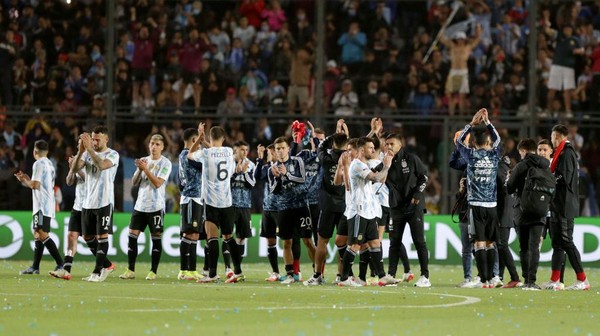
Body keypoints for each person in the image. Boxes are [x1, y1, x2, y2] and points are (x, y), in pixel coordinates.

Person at [337, 137, 396, 287]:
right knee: (355, 245)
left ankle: (382, 276)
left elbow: (379, 177)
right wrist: (387, 166)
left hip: (369, 212)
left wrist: (385, 162)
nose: (373, 150)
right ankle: (344, 279)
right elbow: (376, 178)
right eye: (370, 148)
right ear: (362, 150)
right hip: (359, 211)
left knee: (375, 243)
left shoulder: (364, 165)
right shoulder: (357, 165)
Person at [189, 124, 244, 283]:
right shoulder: (228, 152)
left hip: (211, 202)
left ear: (210, 137)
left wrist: (200, 138)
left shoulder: (205, 153)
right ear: (224, 138)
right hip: (227, 202)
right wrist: (206, 141)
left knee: (212, 238)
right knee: (228, 237)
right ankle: (238, 272)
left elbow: (190, 154)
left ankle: (212, 273)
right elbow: (218, 152)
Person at [455, 108, 500, 288]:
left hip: (475, 206)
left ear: (474, 142)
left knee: (479, 243)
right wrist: (487, 122)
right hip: (492, 205)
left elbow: (458, 141)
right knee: (490, 243)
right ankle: (491, 277)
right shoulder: (494, 154)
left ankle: (484, 280)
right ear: (488, 141)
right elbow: (499, 139)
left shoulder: (471, 155)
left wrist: (472, 124)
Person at [120, 134, 172, 280]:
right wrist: (141, 169)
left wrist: (146, 169)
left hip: (156, 206)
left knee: (156, 238)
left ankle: (153, 271)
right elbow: (135, 182)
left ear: (162, 147)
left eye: (157, 144)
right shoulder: (144, 160)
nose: (153, 146)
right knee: (132, 237)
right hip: (140, 205)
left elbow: (158, 183)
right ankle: (130, 270)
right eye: (151, 143)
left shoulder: (165, 163)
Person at [544, 124, 590, 290]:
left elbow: (564, 177)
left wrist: (547, 181)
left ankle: (582, 279)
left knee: (566, 242)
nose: (551, 140)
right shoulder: (560, 153)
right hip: (558, 204)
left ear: (557, 136)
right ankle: (555, 280)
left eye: (552, 137)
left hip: (565, 204)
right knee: (557, 243)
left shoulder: (567, 153)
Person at [304, 120, 349, 286]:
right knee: (342, 243)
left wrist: (334, 134)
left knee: (322, 241)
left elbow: (321, 146)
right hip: (345, 205)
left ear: (334, 143)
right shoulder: (350, 158)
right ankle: (340, 275)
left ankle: (317, 275)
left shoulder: (326, 158)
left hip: (327, 205)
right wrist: (343, 134)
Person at [72, 126, 118, 282]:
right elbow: (74, 169)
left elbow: (102, 165)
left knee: (102, 236)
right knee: (87, 236)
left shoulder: (113, 154)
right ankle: (108, 265)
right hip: (87, 202)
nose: (94, 141)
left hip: (104, 202)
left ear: (106, 139)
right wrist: (80, 152)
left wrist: (90, 150)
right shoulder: (86, 153)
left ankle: (97, 272)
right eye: (93, 138)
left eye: (97, 139)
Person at [384, 133, 430, 287]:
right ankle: (391, 275)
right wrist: (385, 165)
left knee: (419, 241)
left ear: (400, 144)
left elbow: (424, 177)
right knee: (394, 242)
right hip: (396, 207)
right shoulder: (385, 162)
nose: (389, 147)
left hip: (414, 205)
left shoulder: (411, 159)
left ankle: (425, 276)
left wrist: (417, 194)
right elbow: (376, 177)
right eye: (387, 144)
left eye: (392, 144)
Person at [269, 136, 315, 284]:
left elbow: (301, 178)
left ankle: (318, 272)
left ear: (288, 148)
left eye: (283, 148)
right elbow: (273, 191)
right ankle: (290, 274)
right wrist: (277, 178)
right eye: (278, 149)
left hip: (301, 206)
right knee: (287, 242)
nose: (281, 151)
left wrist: (286, 174)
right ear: (275, 152)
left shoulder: (297, 161)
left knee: (307, 240)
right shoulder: (273, 168)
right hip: (284, 207)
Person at [506, 138, 551, 290]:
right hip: (540, 210)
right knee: (535, 247)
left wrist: (509, 179)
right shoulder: (546, 165)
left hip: (522, 211)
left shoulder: (521, 166)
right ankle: (532, 281)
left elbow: (510, 188)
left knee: (524, 247)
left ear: (524, 151)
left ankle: (526, 280)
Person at [16, 140, 64, 275]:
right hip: (47, 203)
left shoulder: (38, 163)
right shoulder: (50, 164)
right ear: (47, 152)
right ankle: (35, 267)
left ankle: (61, 264)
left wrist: (24, 180)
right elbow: (39, 185)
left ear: (34, 151)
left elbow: (35, 185)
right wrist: (27, 180)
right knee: (37, 234)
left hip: (41, 205)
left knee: (42, 233)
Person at [49, 155, 86, 280]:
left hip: (92, 206)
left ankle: (105, 265)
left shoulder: (94, 160)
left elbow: (91, 180)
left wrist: (76, 169)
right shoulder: (78, 160)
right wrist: (72, 168)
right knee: (71, 236)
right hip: (78, 206)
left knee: (91, 239)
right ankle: (66, 270)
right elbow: (69, 182)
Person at [223, 140, 256, 278]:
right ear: (234, 150)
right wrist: (236, 173)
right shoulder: (227, 163)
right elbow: (224, 182)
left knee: (241, 238)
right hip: (229, 204)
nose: (244, 152)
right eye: (241, 149)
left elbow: (252, 184)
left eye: (246, 149)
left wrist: (244, 172)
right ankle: (227, 268)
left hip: (244, 206)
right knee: (227, 235)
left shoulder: (251, 165)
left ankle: (238, 268)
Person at [177, 128, 205, 281]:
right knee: (188, 233)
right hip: (191, 198)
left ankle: (192, 269)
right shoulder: (186, 155)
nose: (200, 144)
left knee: (194, 234)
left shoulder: (183, 156)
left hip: (195, 198)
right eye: (199, 141)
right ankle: (183, 270)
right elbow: (204, 167)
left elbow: (179, 181)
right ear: (194, 141)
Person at [439, 25, 482, 115]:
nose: (460, 40)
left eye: (462, 39)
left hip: (463, 71)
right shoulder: (452, 46)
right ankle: (451, 115)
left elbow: (477, 39)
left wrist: (477, 28)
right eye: (459, 39)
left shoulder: (468, 47)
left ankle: (461, 115)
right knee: (451, 95)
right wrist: (443, 28)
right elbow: (441, 38)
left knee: (462, 95)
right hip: (454, 71)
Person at [546, 25, 585, 118]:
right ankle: (548, 109)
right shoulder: (559, 37)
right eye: (565, 29)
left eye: (569, 29)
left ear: (572, 30)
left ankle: (568, 110)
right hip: (557, 65)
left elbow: (582, 50)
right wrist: (546, 21)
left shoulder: (575, 39)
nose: (567, 31)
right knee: (552, 88)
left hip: (568, 67)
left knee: (567, 89)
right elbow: (548, 31)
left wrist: (576, 51)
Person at [255, 143, 280, 281]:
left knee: (288, 240)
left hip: (280, 208)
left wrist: (270, 162)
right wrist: (260, 159)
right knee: (270, 241)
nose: (271, 155)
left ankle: (295, 271)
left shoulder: (282, 167)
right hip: (267, 208)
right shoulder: (266, 167)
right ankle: (275, 272)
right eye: (269, 153)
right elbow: (258, 176)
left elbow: (275, 179)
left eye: (272, 152)